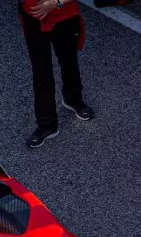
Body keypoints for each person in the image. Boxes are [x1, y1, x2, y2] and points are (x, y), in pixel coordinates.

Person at [20, 0, 96, 148]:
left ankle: (73, 99)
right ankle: (46, 124)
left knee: (69, 61)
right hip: (32, 17)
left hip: (64, 16)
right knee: (41, 72)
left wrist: (57, 2)